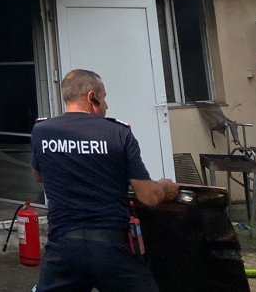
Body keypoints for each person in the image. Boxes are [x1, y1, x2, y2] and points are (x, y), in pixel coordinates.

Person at [30, 69, 180, 292]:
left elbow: (38, 175)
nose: (107, 105)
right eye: (105, 97)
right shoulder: (118, 133)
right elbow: (148, 197)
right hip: (111, 248)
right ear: (93, 97)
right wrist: (164, 188)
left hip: (63, 248)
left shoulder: (42, 131)